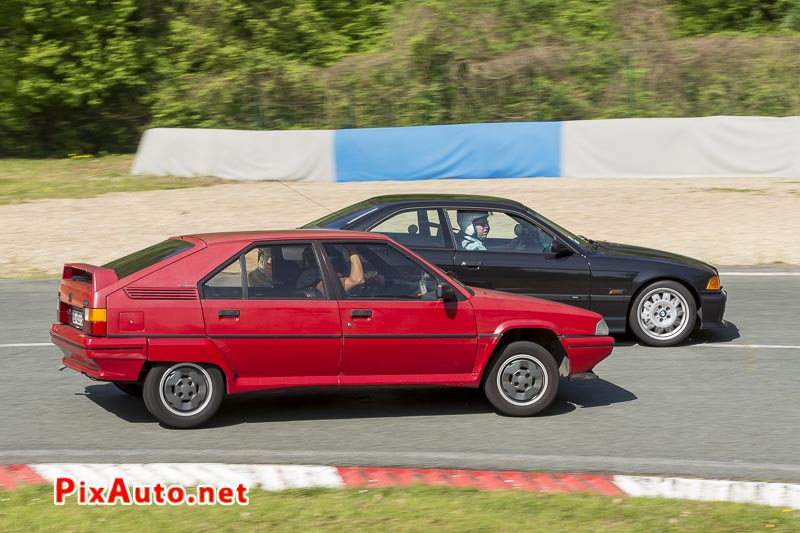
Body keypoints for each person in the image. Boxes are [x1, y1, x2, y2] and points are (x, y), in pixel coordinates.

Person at [295, 245, 364, 296]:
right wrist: (353, 252)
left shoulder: (320, 274)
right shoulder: (312, 276)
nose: (337, 265)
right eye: (334, 262)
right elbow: (357, 280)